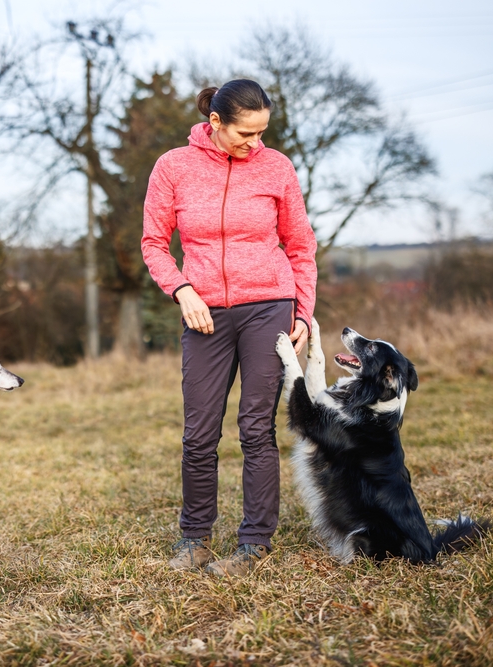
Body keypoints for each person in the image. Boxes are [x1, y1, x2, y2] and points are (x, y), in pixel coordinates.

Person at [141, 79, 317, 577]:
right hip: (205, 312)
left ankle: (254, 544)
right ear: (215, 122)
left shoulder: (276, 167)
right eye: (245, 132)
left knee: (255, 428)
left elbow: (301, 246)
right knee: (198, 434)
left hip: (269, 306)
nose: (255, 143)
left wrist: (302, 312)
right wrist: (182, 289)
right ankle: (194, 539)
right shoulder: (173, 166)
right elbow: (154, 242)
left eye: (262, 132)